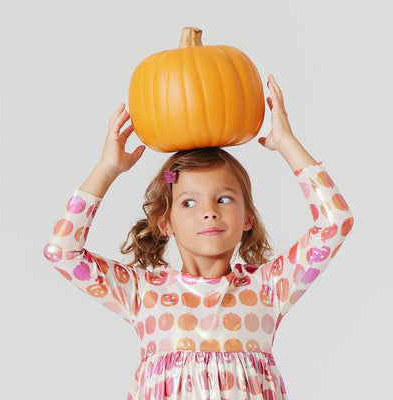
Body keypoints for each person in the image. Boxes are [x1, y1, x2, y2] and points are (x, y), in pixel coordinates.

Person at [43, 74, 354, 399]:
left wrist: (286, 143)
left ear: (248, 216)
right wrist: (107, 169)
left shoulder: (268, 289)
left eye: (224, 199)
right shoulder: (142, 295)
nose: (209, 211)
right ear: (165, 221)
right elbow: (61, 251)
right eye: (189, 202)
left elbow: (336, 223)